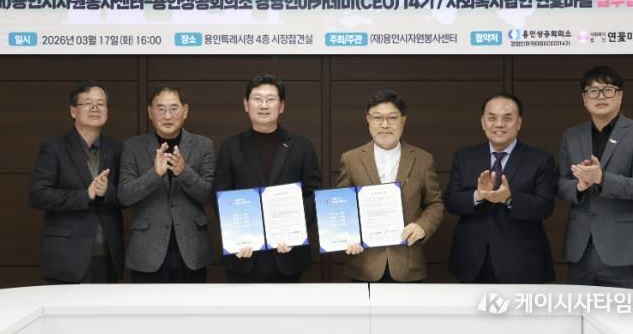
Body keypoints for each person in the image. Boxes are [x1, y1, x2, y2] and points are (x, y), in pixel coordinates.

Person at [558, 66, 633, 289]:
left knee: (624, 312)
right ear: (584, 99)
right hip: (580, 250)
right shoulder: (571, 136)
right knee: (580, 310)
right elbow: (561, 184)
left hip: (624, 249)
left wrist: (602, 178)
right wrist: (580, 186)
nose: (601, 96)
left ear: (620, 96)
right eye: (593, 91)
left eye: (608, 90)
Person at [215, 74, 321, 283]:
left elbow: (312, 195)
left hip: (288, 252)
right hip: (243, 254)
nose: (264, 105)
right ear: (246, 104)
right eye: (257, 99)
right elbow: (220, 195)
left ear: (281, 106)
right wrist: (235, 236)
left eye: (270, 99)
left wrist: (294, 233)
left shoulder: (302, 146)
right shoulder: (231, 146)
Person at [444, 93, 556, 283]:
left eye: (507, 118)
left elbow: (545, 207)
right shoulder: (464, 156)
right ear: (483, 122)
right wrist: (477, 195)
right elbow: (451, 201)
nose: (499, 124)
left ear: (519, 123)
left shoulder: (540, 159)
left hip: (521, 260)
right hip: (472, 257)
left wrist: (509, 199)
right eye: (492, 118)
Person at [337, 90, 444, 282]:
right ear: (368, 120)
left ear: (403, 121)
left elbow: (435, 204)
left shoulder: (423, 159)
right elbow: (342, 206)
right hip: (364, 264)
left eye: (392, 118)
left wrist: (422, 226)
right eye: (378, 118)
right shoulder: (351, 159)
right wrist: (348, 235)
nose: (385, 124)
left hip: (408, 264)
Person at [30, 80, 124, 283]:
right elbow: (38, 194)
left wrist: (107, 191)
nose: (95, 108)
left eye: (101, 103)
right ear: (73, 111)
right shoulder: (54, 147)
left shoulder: (117, 148)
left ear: (107, 111)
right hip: (67, 256)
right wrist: (86, 195)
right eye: (88, 103)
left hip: (108, 254)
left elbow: (125, 196)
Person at [118, 86, 215, 283]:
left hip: (191, 249)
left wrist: (184, 172)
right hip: (147, 249)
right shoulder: (133, 146)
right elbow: (124, 196)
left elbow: (207, 195)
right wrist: (154, 175)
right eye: (161, 109)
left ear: (185, 111)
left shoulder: (203, 145)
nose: (167, 116)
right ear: (150, 112)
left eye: (173, 108)